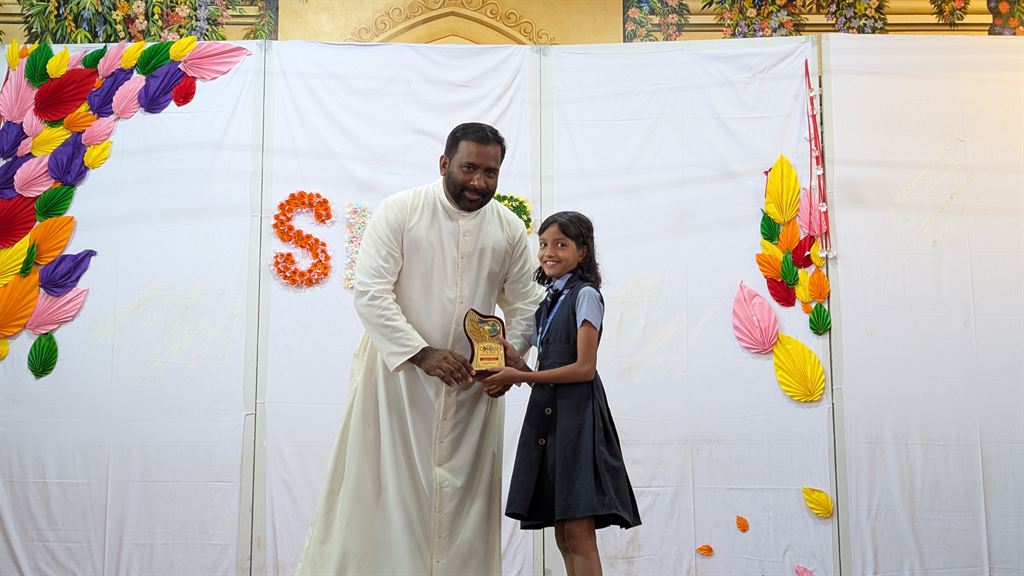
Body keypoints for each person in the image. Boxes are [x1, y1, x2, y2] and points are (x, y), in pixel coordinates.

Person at [296, 123, 543, 575]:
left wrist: (510, 356)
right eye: (469, 168)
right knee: (384, 496)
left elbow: (525, 302)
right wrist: (422, 353)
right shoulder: (401, 211)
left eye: (490, 173)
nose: (478, 182)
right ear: (444, 163)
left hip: (472, 389)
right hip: (397, 386)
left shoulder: (507, 227)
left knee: (465, 504)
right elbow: (371, 292)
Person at [483, 211, 641, 576]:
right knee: (564, 534)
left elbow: (584, 368)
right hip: (550, 416)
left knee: (579, 532)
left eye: (560, 244)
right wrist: (514, 362)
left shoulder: (586, 295)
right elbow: (543, 374)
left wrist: (519, 375)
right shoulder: (548, 303)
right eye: (543, 244)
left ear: (582, 251)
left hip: (577, 418)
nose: (548, 252)